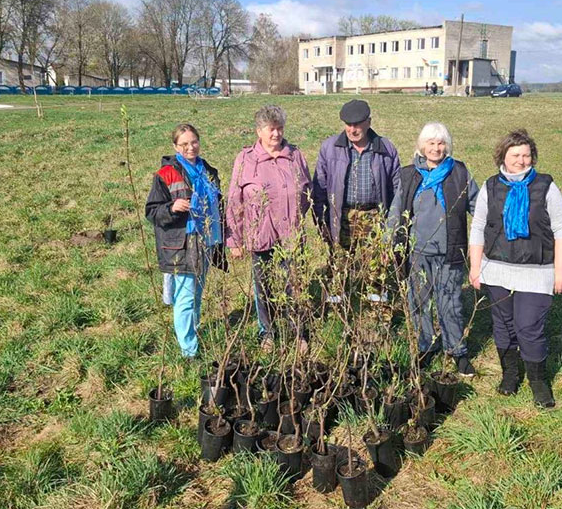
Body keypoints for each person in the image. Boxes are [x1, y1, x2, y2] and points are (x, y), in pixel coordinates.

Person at [468, 129, 562, 408]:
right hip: (496, 268)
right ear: (503, 156)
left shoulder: (545, 187)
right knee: (502, 325)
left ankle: (538, 383)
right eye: (515, 155)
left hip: (536, 271)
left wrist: (560, 270)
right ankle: (510, 375)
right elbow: (478, 227)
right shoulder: (491, 187)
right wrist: (475, 267)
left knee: (528, 326)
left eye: (526, 155)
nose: (521, 160)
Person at [389, 122, 479, 375]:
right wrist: (388, 238)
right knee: (419, 302)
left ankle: (457, 350)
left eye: (441, 143)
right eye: (431, 143)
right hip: (417, 252)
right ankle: (426, 346)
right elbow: (396, 208)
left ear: (447, 146)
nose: (436, 148)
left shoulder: (459, 172)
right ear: (422, 145)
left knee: (450, 303)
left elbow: (478, 206)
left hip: (450, 250)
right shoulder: (409, 175)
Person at [226, 105, 311, 352]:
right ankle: (267, 333)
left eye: (280, 128)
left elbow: (308, 191)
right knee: (262, 287)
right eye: (271, 129)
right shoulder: (245, 159)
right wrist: (235, 240)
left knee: (294, 285)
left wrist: (295, 215)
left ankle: (298, 333)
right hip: (260, 235)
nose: (276, 134)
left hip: (291, 235)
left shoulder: (295, 156)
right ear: (259, 131)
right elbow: (235, 201)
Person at [145, 124, 226, 358]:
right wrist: (172, 207)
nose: (191, 148)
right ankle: (189, 351)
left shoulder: (208, 171)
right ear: (175, 147)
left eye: (194, 142)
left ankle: (194, 331)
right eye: (184, 144)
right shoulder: (166, 174)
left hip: (207, 240)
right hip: (182, 244)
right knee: (186, 297)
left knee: (197, 293)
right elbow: (152, 211)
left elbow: (218, 204)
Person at [312, 99, 401, 302]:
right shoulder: (330, 148)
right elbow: (319, 188)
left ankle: (377, 311)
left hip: (374, 216)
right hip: (341, 216)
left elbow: (397, 189)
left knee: (377, 268)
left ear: (368, 122)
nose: (352, 129)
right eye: (348, 124)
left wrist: (392, 225)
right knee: (338, 266)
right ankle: (337, 311)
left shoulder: (386, 148)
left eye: (357, 124)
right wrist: (321, 221)